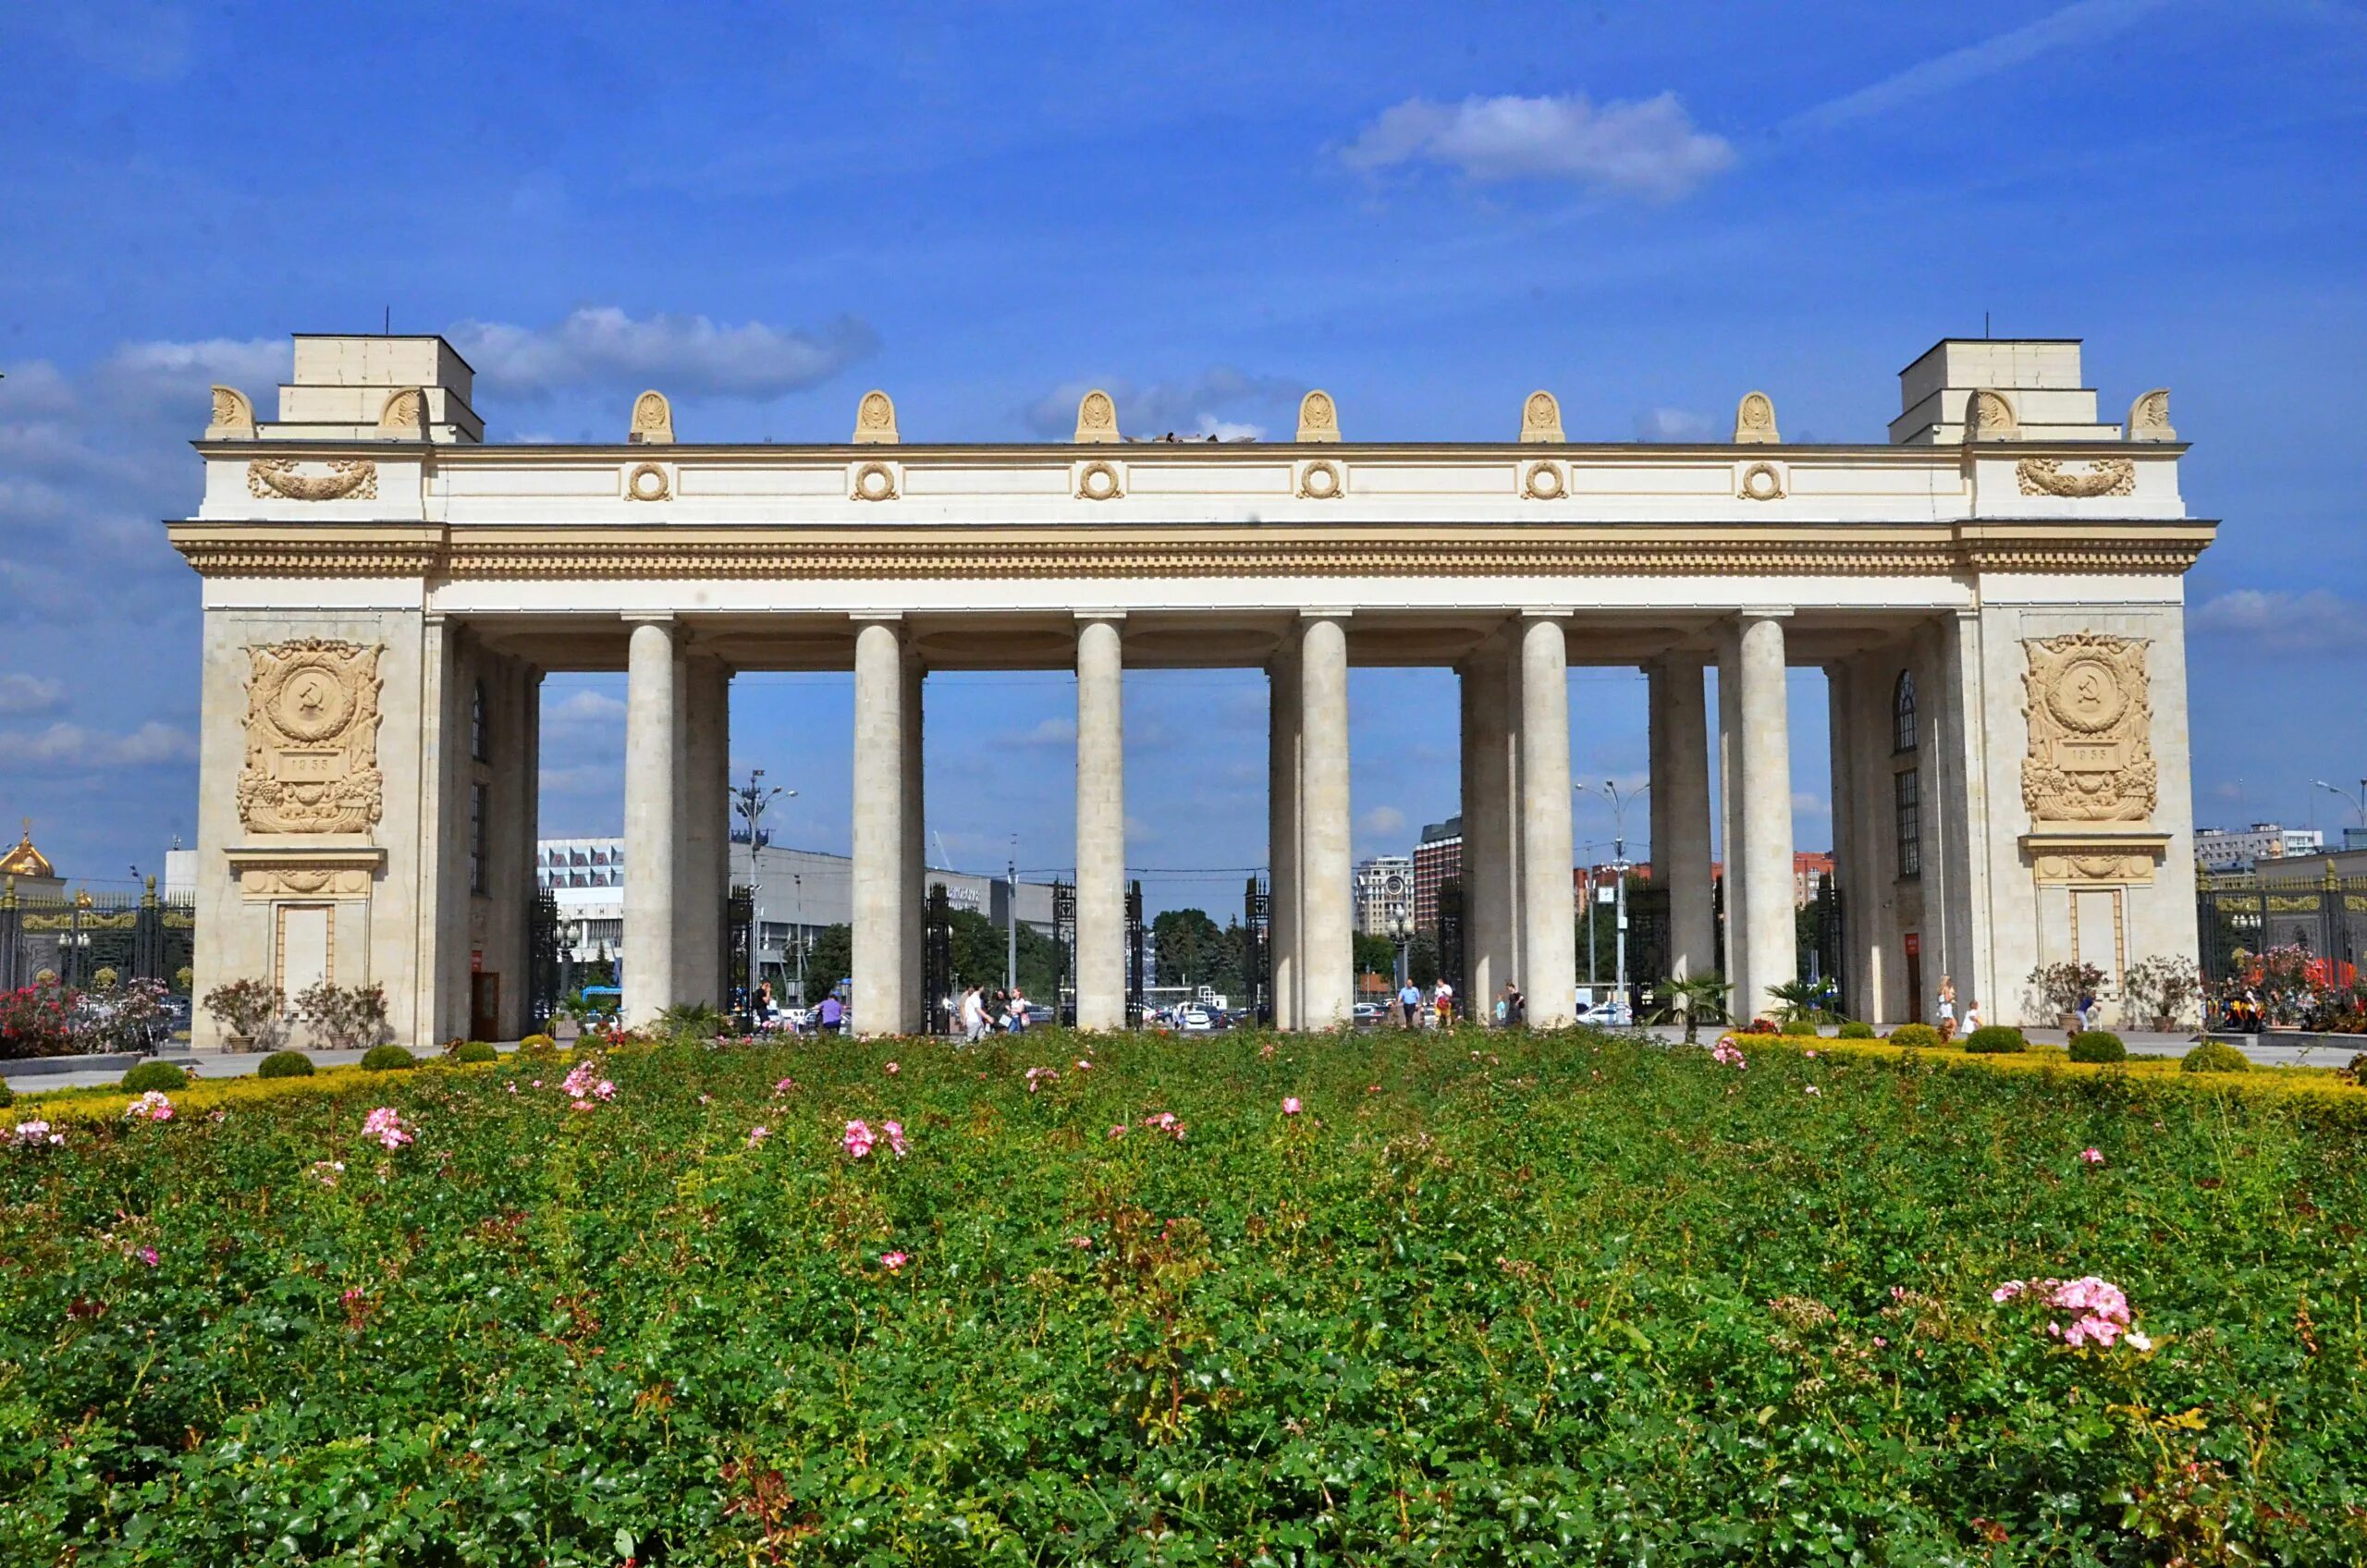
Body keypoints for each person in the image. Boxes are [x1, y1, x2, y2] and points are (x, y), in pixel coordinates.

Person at [1936, 975, 1956, 1042]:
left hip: (1944, 1006)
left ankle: (1949, 1038)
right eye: (1949, 980)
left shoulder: (1941, 989)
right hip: (1946, 1007)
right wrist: (1953, 996)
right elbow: (1947, 999)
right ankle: (1944, 1038)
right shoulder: (1946, 988)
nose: (1950, 981)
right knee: (1947, 1023)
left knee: (1954, 1024)